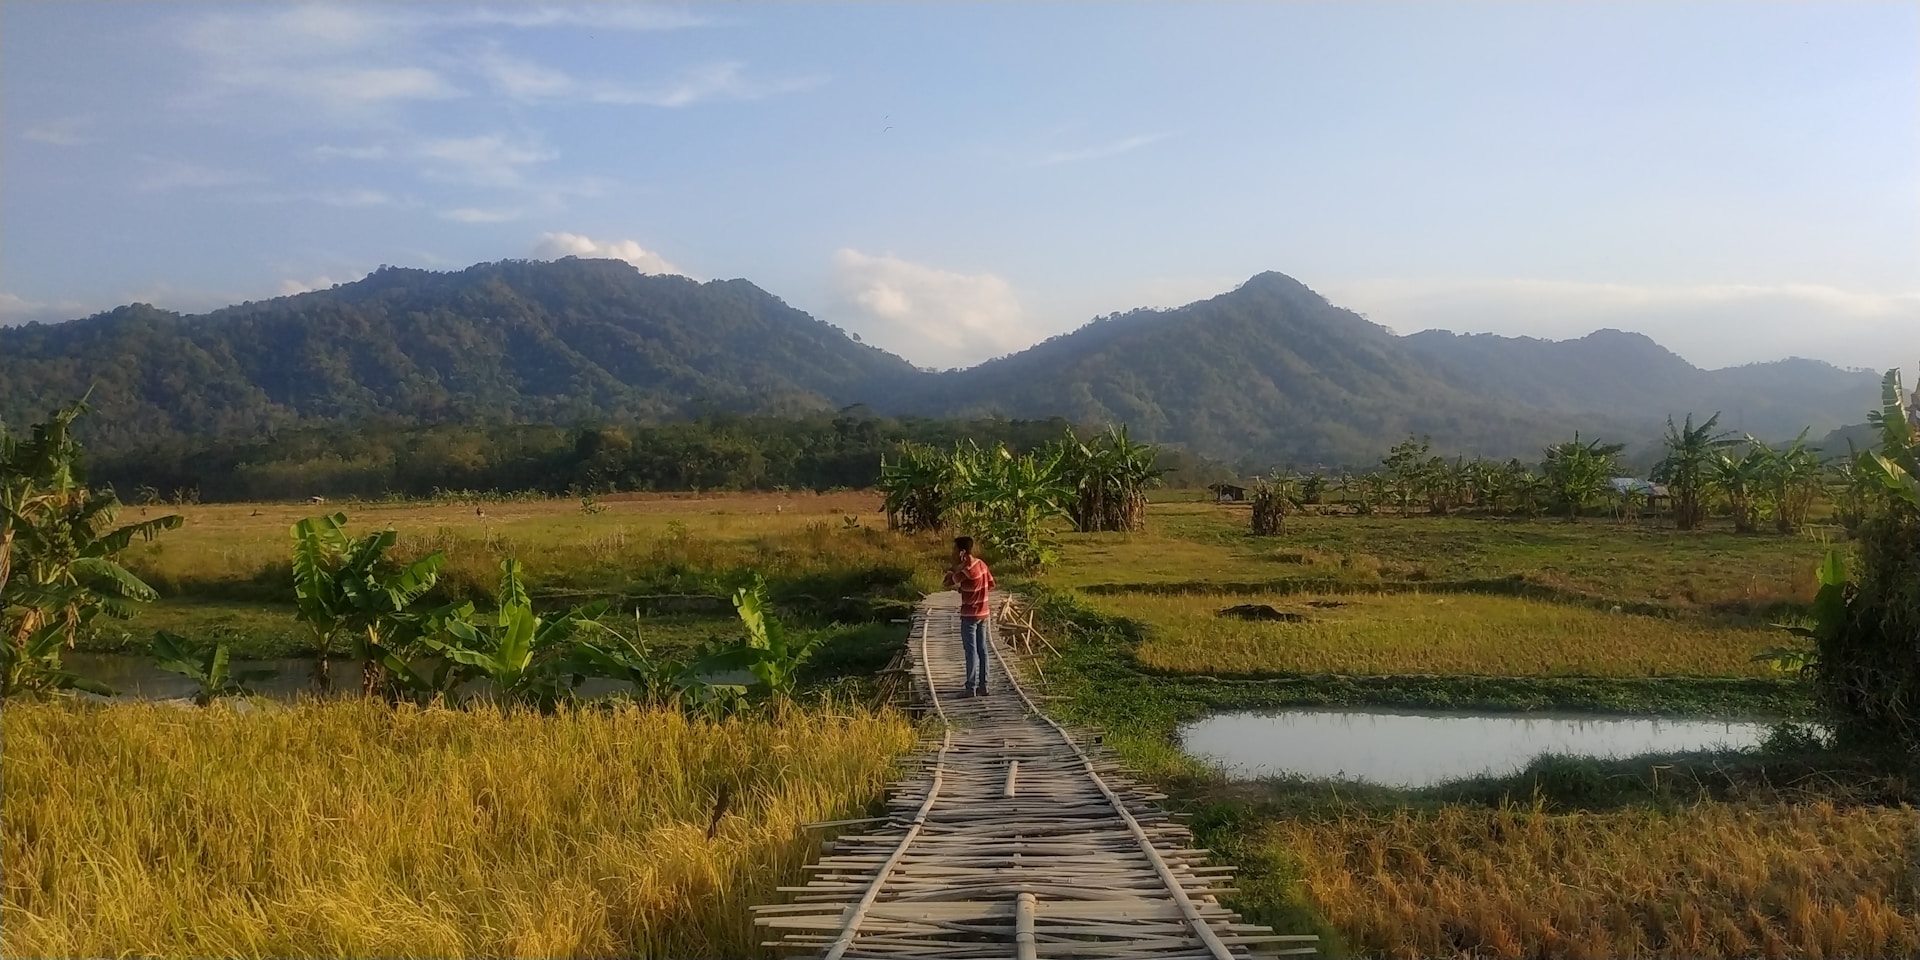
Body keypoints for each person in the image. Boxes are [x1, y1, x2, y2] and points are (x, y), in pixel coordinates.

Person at [942, 536, 996, 698]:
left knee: (971, 651)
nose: (952, 552)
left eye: (955, 549)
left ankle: (970, 687)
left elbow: (947, 582)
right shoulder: (981, 564)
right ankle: (984, 685)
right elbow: (991, 584)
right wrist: (973, 591)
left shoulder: (967, 570)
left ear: (962, 553)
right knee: (983, 650)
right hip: (984, 613)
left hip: (970, 616)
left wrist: (953, 568)